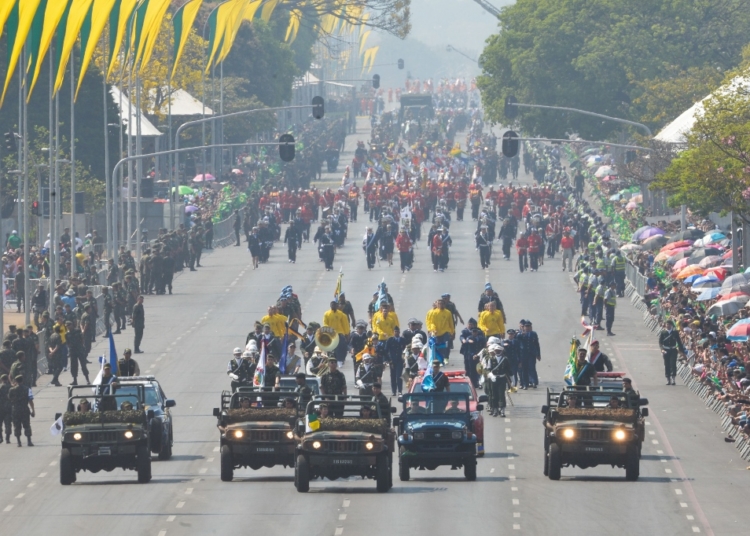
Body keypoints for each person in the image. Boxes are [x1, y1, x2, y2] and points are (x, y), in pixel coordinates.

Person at [425, 298, 454, 364]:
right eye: (439, 304)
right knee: (439, 346)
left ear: (444, 304)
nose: (440, 305)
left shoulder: (448, 312)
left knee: (446, 345)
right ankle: (440, 359)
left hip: (445, 332)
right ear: (437, 305)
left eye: (442, 304)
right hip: (437, 333)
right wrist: (433, 330)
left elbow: (451, 322)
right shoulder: (434, 313)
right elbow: (432, 323)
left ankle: (446, 357)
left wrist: (452, 332)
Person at [9, 374, 34, 447]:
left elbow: (9, 399)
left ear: (16, 381)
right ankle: (29, 441)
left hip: (15, 409)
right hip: (25, 409)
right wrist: (33, 410)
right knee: (27, 425)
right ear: (22, 380)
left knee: (17, 426)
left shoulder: (11, 390)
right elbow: (30, 400)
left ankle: (19, 442)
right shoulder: (27, 389)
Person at [323, 301, 351, 366]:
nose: (333, 306)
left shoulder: (341, 314)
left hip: (339, 334)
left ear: (337, 306)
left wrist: (347, 334)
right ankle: (331, 361)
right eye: (332, 305)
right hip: (330, 334)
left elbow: (345, 325)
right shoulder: (326, 314)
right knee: (330, 348)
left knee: (341, 348)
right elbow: (325, 324)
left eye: (335, 305)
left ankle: (340, 360)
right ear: (330, 306)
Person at [459, 321, 486, 388]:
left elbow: (483, 347)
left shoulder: (481, 338)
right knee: (471, 371)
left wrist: (480, 355)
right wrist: (473, 355)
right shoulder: (469, 338)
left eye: (476, 332)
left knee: (480, 371)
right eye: (473, 332)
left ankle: (479, 383)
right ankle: (473, 383)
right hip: (471, 357)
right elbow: (469, 349)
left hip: (480, 356)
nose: (475, 333)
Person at [658, 320, 685, 385]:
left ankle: (673, 378)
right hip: (666, 350)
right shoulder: (663, 332)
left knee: (673, 364)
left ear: (671, 325)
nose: (668, 326)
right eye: (667, 324)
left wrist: (682, 351)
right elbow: (660, 342)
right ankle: (668, 378)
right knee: (667, 364)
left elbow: (679, 341)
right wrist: (662, 349)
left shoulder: (675, 332)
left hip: (673, 349)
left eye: (669, 324)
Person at [517, 319, 541, 389]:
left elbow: (536, 344)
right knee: (524, 369)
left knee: (532, 368)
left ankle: (534, 382)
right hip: (523, 355)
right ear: (523, 327)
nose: (527, 328)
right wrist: (522, 334)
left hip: (531, 354)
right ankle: (525, 384)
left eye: (528, 326)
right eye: (526, 326)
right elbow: (518, 338)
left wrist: (538, 354)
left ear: (531, 327)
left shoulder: (533, 334)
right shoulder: (520, 334)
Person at [384, 327, 406, 395]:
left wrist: (404, 359)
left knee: (399, 376)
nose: (396, 333)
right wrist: (388, 360)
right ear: (393, 332)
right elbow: (385, 351)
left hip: (400, 360)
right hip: (392, 361)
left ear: (399, 332)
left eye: (397, 331)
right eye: (395, 331)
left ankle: (400, 390)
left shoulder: (403, 340)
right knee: (393, 376)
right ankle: (394, 391)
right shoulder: (390, 340)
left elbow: (405, 350)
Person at [0, 374, 11, 443]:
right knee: (8, 423)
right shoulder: (11, 387)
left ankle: (1, 438)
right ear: (7, 379)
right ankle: (7, 438)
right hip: (8, 408)